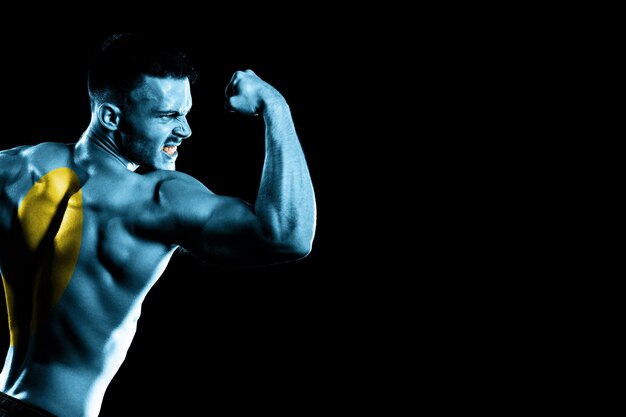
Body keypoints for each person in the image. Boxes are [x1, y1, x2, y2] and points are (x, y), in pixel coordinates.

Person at [0, 33, 316, 417]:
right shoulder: (156, 199)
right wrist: (275, 107)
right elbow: (288, 234)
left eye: (185, 114)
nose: (185, 131)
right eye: (167, 116)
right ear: (111, 117)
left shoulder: (16, 167)